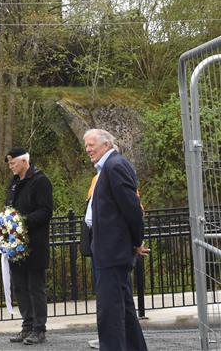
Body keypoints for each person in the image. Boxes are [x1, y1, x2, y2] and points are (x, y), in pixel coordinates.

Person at [83, 129, 148, 351]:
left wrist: (137, 241)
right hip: (108, 250)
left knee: (109, 313)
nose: (88, 149)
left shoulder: (115, 166)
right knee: (125, 309)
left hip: (112, 252)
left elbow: (133, 209)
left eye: (92, 144)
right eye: (86, 145)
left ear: (107, 144)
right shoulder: (107, 168)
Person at [4, 147, 53, 345]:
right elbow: (10, 208)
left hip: (35, 245)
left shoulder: (41, 181)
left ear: (25, 161)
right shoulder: (14, 183)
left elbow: (45, 212)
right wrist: (3, 219)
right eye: (9, 163)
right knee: (21, 287)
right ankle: (27, 326)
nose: (10, 166)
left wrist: (21, 221)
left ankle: (39, 329)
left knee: (35, 287)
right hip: (16, 245)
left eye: (13, 163)